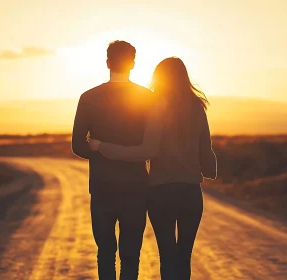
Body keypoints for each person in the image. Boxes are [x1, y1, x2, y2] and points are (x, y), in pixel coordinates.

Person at [89, 57, 217, 280]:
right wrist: (207, 166)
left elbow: (145, 151)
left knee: (167, 255)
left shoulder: (156, 107)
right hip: (190, 193)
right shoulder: (197, 108)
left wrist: (102, 146)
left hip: (160, 193)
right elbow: (207, 157)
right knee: (183, 256)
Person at [72, 40, 154, 280]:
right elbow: (153, 144)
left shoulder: (88, 97)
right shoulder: (146, 97)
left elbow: (78, 145)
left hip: (102, 187)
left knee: (105, 252)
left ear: (107, 63)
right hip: (136, 187)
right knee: (131, 254)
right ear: (133, 64)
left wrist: (99, 150)